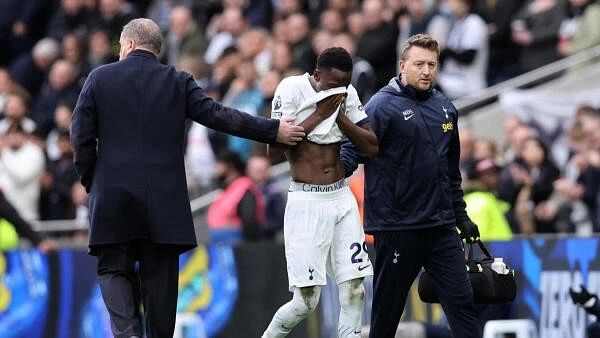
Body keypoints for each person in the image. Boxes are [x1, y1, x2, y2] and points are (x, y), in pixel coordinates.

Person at [70, 18, 304, 338]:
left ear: (129, 45)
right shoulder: (177, 80)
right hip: (163, 204)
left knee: (113, 269)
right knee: (161, 283)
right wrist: (274, 129)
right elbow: (220, 116)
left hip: (112, 197)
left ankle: (127, 335)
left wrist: (90, 181)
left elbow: (80, 138)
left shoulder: (99, 78)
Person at [341, 34, 481, 338]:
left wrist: (462, 217)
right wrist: (325, 181)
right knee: (387, 316)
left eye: (432, 64)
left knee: (463, 304)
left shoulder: (445, 108)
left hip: (441, 229)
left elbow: (450, 171)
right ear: (402, 65)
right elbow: (350, 154)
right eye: (419, 64)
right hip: (397, 230)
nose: (427, 70)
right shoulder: (379, 106)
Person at [262, 47, 379, 338]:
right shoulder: (290, 89)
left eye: (344, 85)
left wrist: (341, 119)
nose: (339, 91)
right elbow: (273, 152)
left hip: (341, 197)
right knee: (306, 302)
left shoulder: (346, 94)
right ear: (316, 75)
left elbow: (372, 146)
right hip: (306, 200)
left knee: (355, 289)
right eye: (332, 85)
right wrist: (319, 115)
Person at [207, 150, 265, 243]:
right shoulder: (228, 187)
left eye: (219, 163)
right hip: (222, 242)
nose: (216, 167)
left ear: (230, 166)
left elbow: (249, 218)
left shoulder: (244, 186)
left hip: (236, 242)